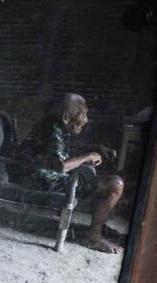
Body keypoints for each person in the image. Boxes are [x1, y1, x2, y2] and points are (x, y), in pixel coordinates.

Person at [14, 93, 124, 254]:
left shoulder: (55, 124)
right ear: (66, 117)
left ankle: (98, 226)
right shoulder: (52, 131)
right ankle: (93, 237)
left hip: (42, 175)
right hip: (41, 179)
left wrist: (97, 148)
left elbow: (65, 150)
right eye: (83, 114)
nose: (86, 120)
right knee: (115, 185)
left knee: (94, 177)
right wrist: (88, 156)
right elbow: (62, 166)